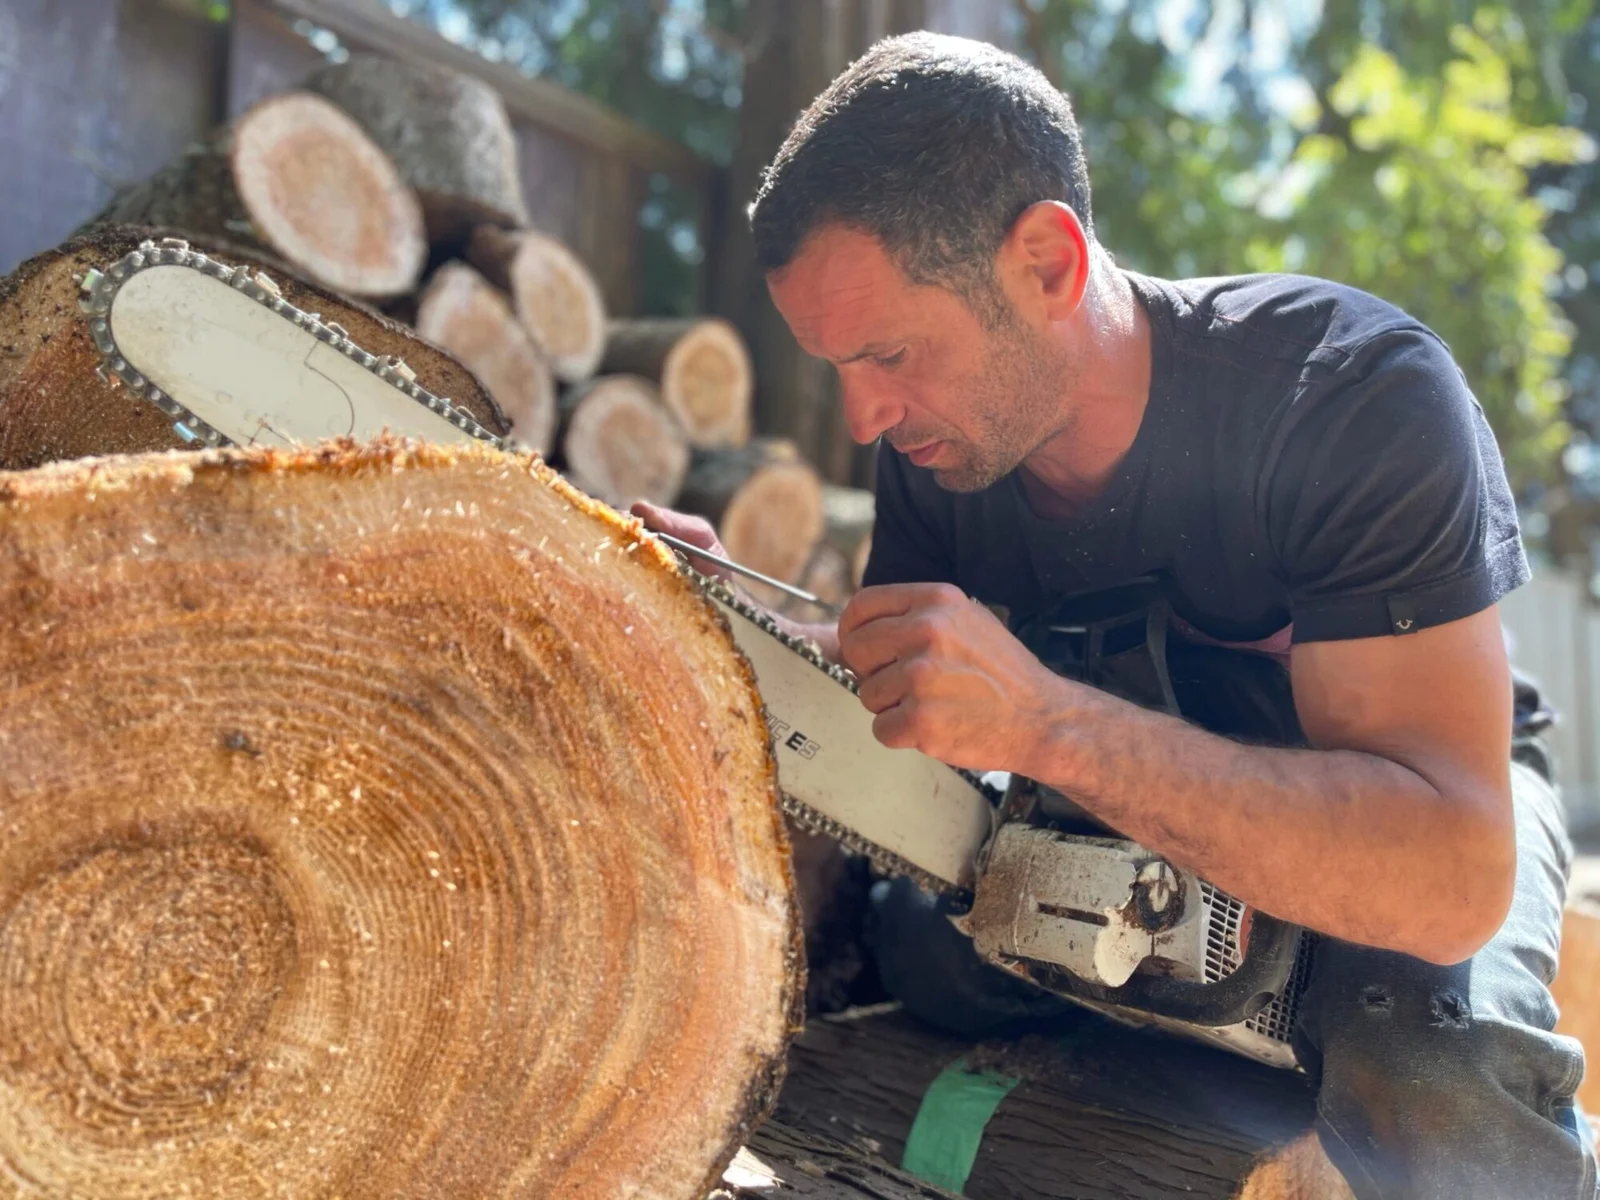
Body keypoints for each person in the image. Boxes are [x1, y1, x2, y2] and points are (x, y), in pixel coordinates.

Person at [634, 32, 1593, 1199]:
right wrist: (743, 627)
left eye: (887, 353)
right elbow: (930, 679)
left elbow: (1444, 875)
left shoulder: (1349, 402)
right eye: (836, 365)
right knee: (920, 960)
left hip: (1421, 802)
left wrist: (1047, 728)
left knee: (1432, 1076)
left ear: (1045, 260)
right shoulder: (936, 457)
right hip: (1128, 801)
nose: (865, 417)